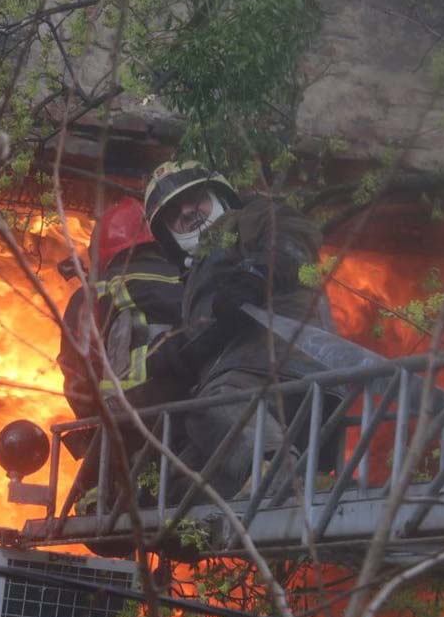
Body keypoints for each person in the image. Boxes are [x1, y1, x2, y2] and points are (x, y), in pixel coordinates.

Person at [143, 161, 338, 498]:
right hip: (243, 389)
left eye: (196, 199)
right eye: (175, 212)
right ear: (169, 234)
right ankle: (192, 525)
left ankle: (279, 471)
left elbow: (294, 241)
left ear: (219, 195)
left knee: (209, 406)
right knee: (175, 476)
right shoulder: (194, 280)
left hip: (284, 366)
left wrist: (257, 274)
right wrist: (175, 351)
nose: (188, 212)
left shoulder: (254, 218)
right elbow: (211, 328)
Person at [57, 197, 188, 508]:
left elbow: (80, 379)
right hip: (190, 429)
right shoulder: (189, 283)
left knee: (101, 501)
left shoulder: (93, 294)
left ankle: (98, 490)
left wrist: (89, 449)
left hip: (126, 424)